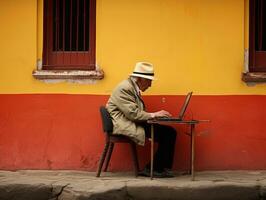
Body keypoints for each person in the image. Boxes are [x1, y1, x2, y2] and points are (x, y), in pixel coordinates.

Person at [106, 62, 177, 178]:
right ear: (139, 79)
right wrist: (154, 115)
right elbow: (133, 114)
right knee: (168, 133)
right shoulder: (125, 88)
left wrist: (153, 116)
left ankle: (161, 168)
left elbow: (135, 112)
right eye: (149, 81)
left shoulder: (131, 87)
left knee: (169, 132)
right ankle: (153, 169)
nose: (150, 85)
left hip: (131, 121)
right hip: (125, 124)